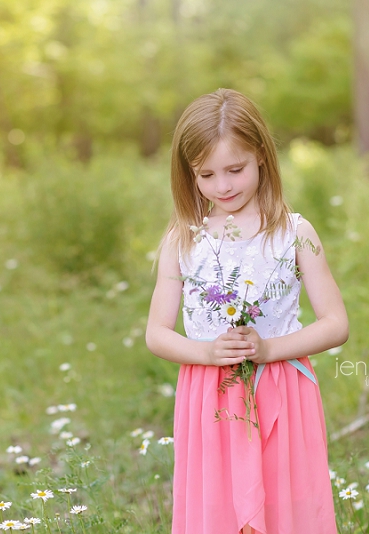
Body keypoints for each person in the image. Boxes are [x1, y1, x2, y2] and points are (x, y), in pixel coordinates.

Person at [145, 88, 348, 534]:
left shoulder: (296, 233)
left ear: (260, 154)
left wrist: (269, 347)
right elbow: (157, 333)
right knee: (219, 510)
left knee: (285, 503)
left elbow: (336, 324)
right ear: (189, 175)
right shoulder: (183, 239)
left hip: (281, 385)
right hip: (210, 393)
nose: (223, 186)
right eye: (206, 175)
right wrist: (207, 352)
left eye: (235, 169)